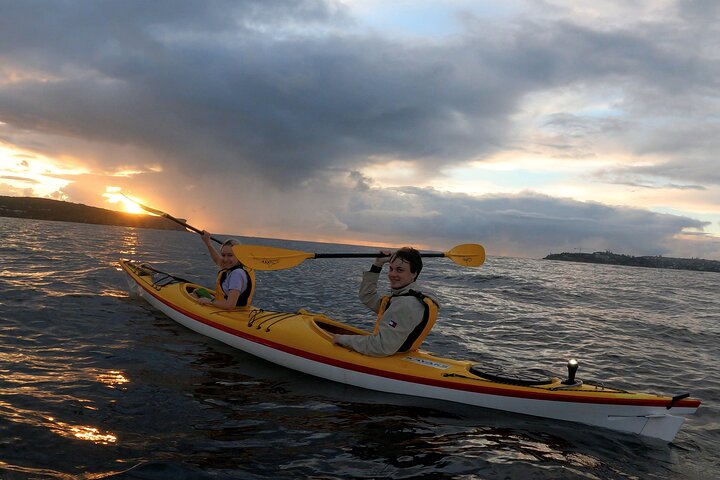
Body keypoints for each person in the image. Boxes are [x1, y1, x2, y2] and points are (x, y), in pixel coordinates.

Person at [332, 247, 439, 357]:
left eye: (400, 270)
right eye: (391, 269)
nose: (392, 274)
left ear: (414, 273)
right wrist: (378, 264)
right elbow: (367, 296)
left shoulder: (406, 304)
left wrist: (342, 339)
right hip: (403, 353)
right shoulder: (410, 295)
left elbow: (380, 347)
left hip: (389, 355)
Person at [193, 231, 255, 309]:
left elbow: (230, 305)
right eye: (223, 255)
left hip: (231, 311)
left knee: (193, 295)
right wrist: (208, 243)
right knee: (198, 291)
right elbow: (218, 261)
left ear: (239, 256)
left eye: (230, 255)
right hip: (239, 308)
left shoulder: (237, 274)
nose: (225, 259)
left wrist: (210, 301)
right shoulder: (239, 267)